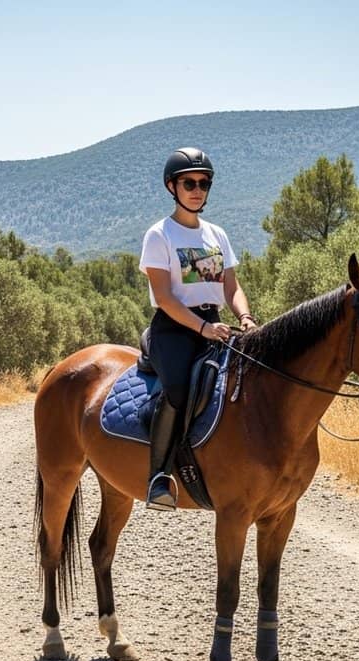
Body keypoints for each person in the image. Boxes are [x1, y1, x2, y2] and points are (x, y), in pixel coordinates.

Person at [138, 148, 257, 510]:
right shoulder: (159, 235)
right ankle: (158, 475)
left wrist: (246, 319)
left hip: (217, 324)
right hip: (174, 328)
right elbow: (164, 296)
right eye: (188, 183)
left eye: (203, 183)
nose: (197, 189)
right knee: (177, 389)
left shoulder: (217, 235)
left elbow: (232, 288)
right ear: (171, 187)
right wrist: (202, 328)